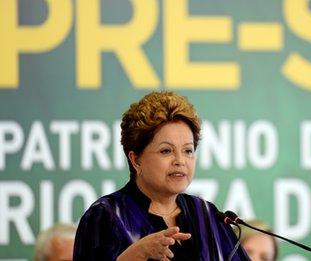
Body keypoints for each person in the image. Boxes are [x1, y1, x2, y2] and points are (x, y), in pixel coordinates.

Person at [73, 91, 249, 260]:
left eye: (188, 151)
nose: (180, 161)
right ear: (136, 160)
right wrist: (137, 254)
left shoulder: (205, 214)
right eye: (166, 151)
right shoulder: (105, 216)